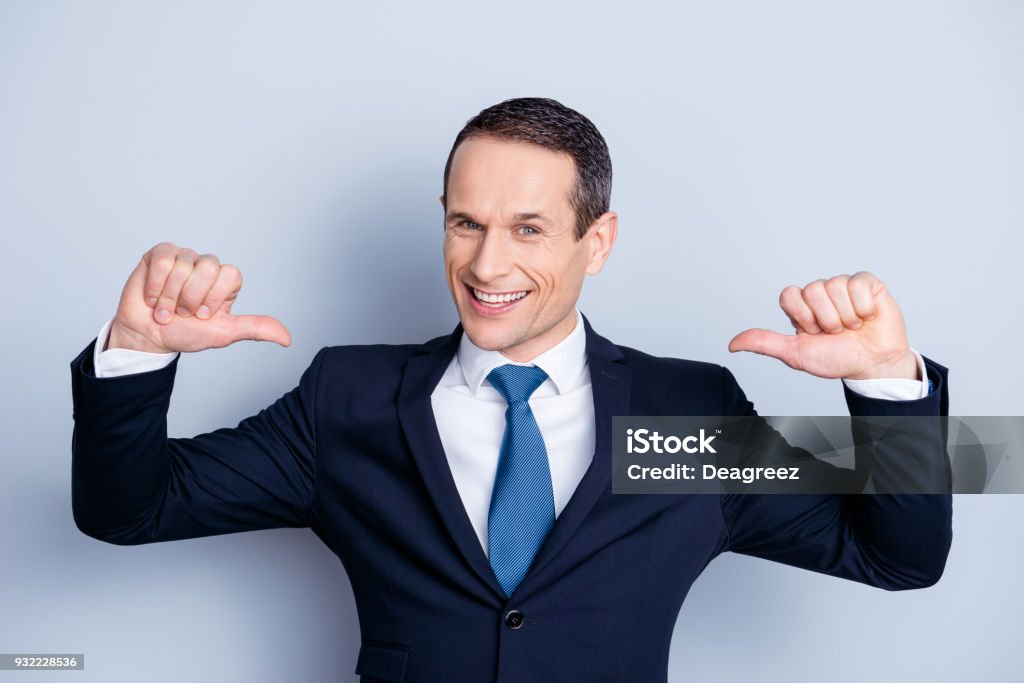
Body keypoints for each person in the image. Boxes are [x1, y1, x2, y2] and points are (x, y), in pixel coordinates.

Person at [70, 97, 951, 683]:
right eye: (466, 223)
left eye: (528, 229)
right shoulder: (352, 398)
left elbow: (897, 556)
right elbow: (128, 509)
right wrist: (138, 358)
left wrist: (887, 390)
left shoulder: (681, 418)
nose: (487, 265)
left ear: (596, 242)